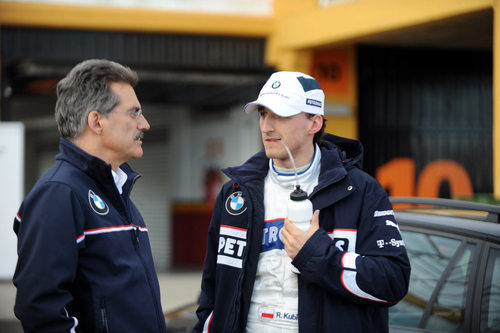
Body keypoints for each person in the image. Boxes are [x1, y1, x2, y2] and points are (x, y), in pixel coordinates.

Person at [194, 71, 411, 332]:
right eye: (263, 114)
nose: (266, 127)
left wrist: (318, 254)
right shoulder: (236, 193)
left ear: (314, 123)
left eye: (281, 115)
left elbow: (393, 282)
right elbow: (212, 289)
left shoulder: (361, 191)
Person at [13, 59, 168, 333]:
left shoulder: (115, 191)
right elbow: (41, 310)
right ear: (96, 121)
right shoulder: (59, 194)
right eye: (134, 113)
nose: (144, 124)